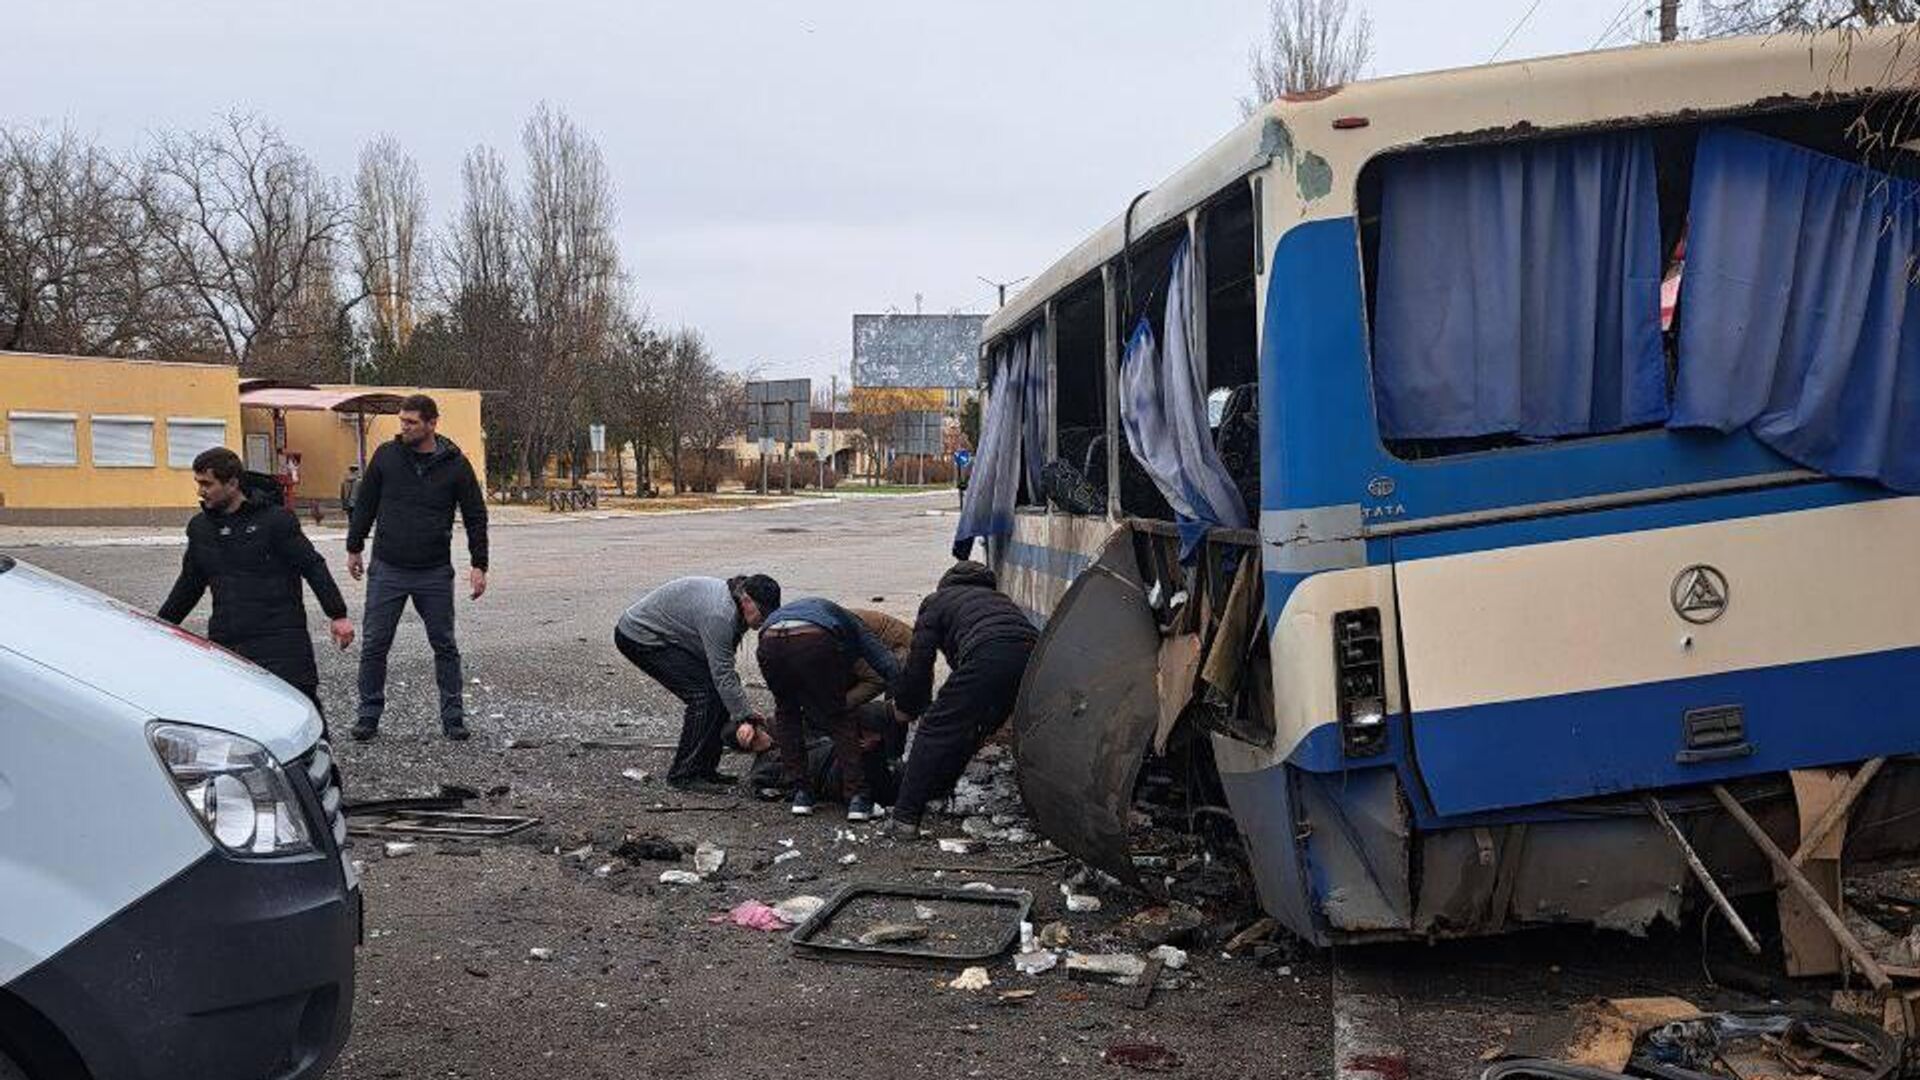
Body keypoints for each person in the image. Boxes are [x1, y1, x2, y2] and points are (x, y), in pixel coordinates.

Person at [159, 447, 355, 717]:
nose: (201, 491)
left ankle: (320, 760)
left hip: (281, 638)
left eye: (207, 484)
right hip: (227, 638)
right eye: (198, 484)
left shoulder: (275, 520)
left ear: (232, 483)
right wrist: (162, 625)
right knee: (238, 717)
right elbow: (190, 583)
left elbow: (312, 565)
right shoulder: (200, 528)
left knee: (301, 710)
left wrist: (338, 614)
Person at [344, 394, 489, 742]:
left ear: (431, 423)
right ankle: (368, 715)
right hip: (387, 568)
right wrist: (354, 546)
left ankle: (453, 718)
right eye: (402, 422)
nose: (404, 428)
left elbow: (475, 516)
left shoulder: (455, 464)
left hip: (434, 572)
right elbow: (365, 503)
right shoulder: (386, 456)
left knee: (444, 645)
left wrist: (479, 564)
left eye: (411, 423)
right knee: (375, 644)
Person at [888, 561, 1038, 840]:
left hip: (989, 654)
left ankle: (905, 818)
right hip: (1037, 660)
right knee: (972, 730)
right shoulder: (1000, 600)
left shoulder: (937, 601)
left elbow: (920, 662)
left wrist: (909, 705)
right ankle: (938, 792)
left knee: (934, 730)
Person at [615, 574, 781, 791]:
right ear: (747, 601)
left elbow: (724, 673)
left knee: (718, 692)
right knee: (703, 696)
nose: (764, 621)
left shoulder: (735, 602)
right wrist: (744, 717)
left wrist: (743, 711)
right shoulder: (721, 616)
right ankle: (684, 774)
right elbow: (722, 673)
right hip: (640, 636)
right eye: (763, 613)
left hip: (670, 636)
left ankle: (705, 770)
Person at [754, 601, 904, 820]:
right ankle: (858, 799)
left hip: (769, 642)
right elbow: (886, 663)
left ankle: (801, 794)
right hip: (813, 640)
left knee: (787, 713)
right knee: (840, 715)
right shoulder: (854, 624)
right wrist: (907, 698)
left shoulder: (824, 613)